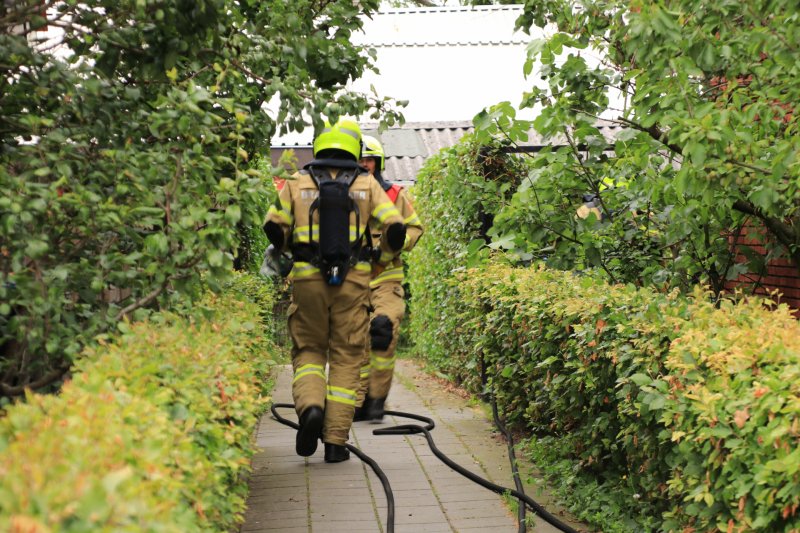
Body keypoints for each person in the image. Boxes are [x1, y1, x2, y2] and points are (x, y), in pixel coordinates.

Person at [263, 119, 406, 463]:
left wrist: (287, 253)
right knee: (346, 358)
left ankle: (311, 408)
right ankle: (335, 443)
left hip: (308, 281)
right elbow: (395, 226)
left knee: (310, 350)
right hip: (354, 284)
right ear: (355, 148)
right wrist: (380, 261)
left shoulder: (296, 183)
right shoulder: (367, 183)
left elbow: (274, 226)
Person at [353, 135, 424, 422]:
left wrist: (398, 240)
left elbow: (415, 229)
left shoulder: (395, 194)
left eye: (368, 159)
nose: (364, 164)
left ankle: (376, 399)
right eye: (358, 160)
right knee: (354, 340)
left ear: (378, 163)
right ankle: (355, 402)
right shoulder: (339, 195)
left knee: (382, 330)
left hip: (386, 279)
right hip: (351, 279)